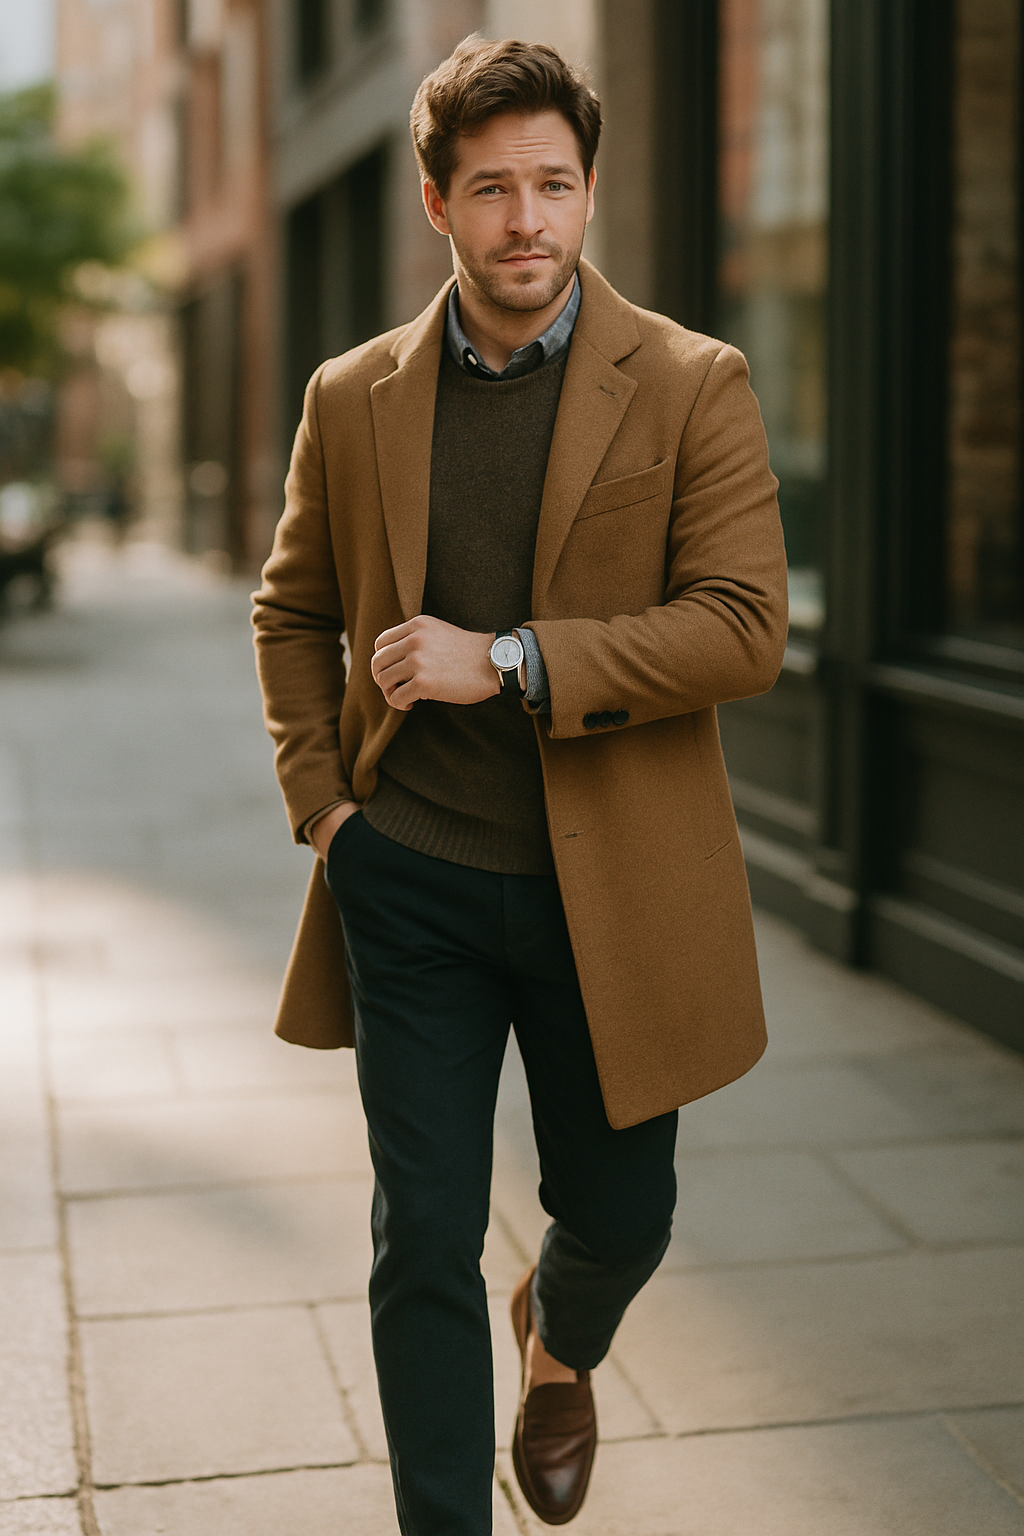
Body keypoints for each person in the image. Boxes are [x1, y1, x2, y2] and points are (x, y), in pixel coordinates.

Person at [252, 34, 787, 1535]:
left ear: (590, 191)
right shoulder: (352, 396)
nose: (527, 220)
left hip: (612, 885)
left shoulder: (692, 381)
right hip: (408, 870)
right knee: (418, 1233)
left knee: (622, 1211)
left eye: (554, 183)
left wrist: (517, 659)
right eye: (492, 188)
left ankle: (558, 1340)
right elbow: (291, 611)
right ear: (437, 203)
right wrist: (325, 812)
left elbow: (746, 627)